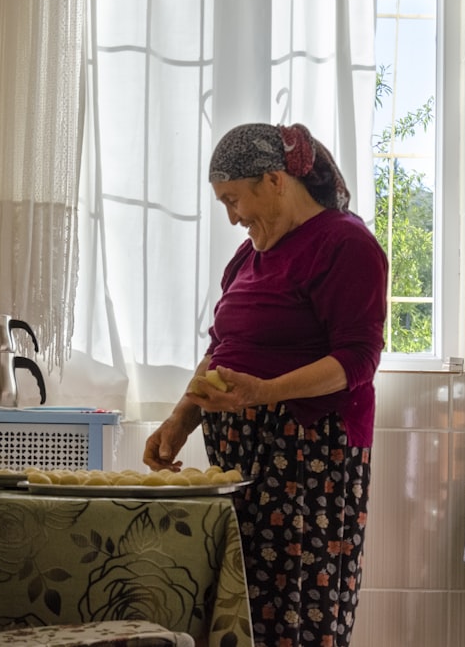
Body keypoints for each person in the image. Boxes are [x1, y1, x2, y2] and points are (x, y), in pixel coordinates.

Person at [143, 122, 388, 647]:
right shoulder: (247, 256)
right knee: (240, 609)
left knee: (296, 615)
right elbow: (221, 349)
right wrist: (179, 420)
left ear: (275, 180)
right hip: (240, 460)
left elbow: (358, 360)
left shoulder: (345, 244)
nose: (232, 217)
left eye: (234, 199)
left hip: (308, 459)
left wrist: (263, 392)